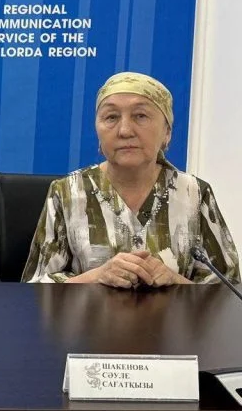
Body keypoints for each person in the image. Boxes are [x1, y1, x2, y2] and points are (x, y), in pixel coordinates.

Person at [22, 72, 238, 287]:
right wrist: (97, 276)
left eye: (140, 116)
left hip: (172, 312)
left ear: (167, 132)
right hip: (91, 311)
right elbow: (33, 288)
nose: (125, 131)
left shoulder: (194, 193)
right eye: (111, 117)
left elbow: (228, 291)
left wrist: (176, 281)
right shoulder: (66, 192)